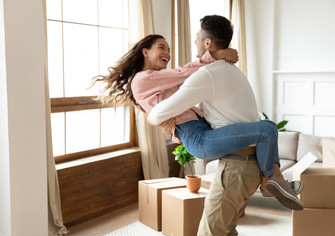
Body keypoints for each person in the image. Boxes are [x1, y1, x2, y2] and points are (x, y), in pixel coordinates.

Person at [91, 30, 302, 210]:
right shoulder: (144, 78)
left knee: (268, 126)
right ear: (145, 52)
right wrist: (216, 55)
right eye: (161, 48)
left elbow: (186, 101)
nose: (167, 53)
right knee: (266, 131)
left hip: (201, 131)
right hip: (198, 138)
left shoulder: (159, 82)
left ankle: (274, 181)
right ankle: (270, 183)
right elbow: (184, 73)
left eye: (169, 49)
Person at [147, 15, 304, 236]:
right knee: (227, 231)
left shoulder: (207, 75)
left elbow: (155, 115)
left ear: (207, 43)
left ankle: (273, 181)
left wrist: (166, 122)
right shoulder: (233, 71)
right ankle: (272, 179)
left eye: (197, 37)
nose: (195, 42)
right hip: (252, 166)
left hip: (237, 167)